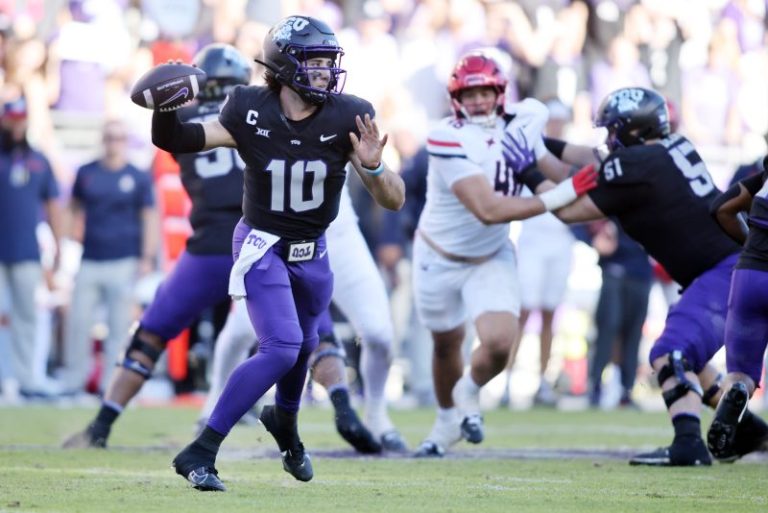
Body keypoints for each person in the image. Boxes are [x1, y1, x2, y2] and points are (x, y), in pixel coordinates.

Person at [159, 16, 404, 491]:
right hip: (262, 245)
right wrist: (164, 109)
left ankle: (285, 426)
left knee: (306, 347)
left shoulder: (348, 115)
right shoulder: (249, 108)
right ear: (285, 66)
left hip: (315, 251)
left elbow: (393, 199)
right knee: (283, 348)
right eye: (315, 62)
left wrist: (374, 167)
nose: (325, 72)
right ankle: (202, 449)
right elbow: (178, 139)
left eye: (328, 62)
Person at [522, 86, 768, 466]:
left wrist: (525, 166)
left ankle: (688, 443)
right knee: (693, 361)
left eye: (613, 130)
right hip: (726, 267)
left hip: (721, 273)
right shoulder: (668, 148)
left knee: (670, 353)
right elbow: (592, 159)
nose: (608, 138)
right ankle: (749, 430)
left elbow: (568, 210)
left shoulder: (635, 165)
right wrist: (539, 143)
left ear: (632, 129)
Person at [62, 43, 253, 447]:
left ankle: (101, 427)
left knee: (149, 337)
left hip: (206, 249)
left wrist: (168, 100)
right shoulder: (256, 118)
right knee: (299, 333)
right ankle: (323, 410)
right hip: (256, 243)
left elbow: (168, 138)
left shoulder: (189, 118)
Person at [411, 52, 598, 457]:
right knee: (446, 344)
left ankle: (468, 391)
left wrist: (607, 158)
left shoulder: (523, 119)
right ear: (456, 98)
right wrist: (564, 194)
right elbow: (489, 209)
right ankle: (446, 423)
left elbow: (555, 165)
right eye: (470, 94)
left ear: (500, 92)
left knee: (499, 342)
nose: (478, 101)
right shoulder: (445, 136)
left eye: (485, 92)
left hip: (490, 252)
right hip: (438, 256)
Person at [198, 182, 407, 454]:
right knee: (241, 329)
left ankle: (377, 414)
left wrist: (376, 169)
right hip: (275, 233)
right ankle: (213, 403)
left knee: (379, 333)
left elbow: (391, 196)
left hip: (337, 232)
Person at [61, 120, 157, 395]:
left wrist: (147, 256)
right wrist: (67, 241)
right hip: (90, 257)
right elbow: (72, 207)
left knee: (118, 326)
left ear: (125, 141)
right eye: (109, 137)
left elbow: (149, 216)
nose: (113, 142)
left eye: (118, 137)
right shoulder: (87, 172)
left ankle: (110, 384)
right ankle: (73, 381)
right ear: (102, 139)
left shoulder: (137, 176)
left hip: (124, 259)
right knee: (79, 323)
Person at [0, 95, 62, 399]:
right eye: (11, 120)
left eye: (20, 119)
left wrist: (58, 244)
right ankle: (4, 379)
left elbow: (53, 205)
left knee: (26, 317)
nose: (16, 125)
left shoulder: (38, 160)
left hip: (26, 249)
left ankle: (26, 378)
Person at [707, 157, 768, 461]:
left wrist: (750, 244)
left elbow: (722, 208)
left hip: (750, 275)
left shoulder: (764, 175)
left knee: (741, 373)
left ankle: (737, 392)